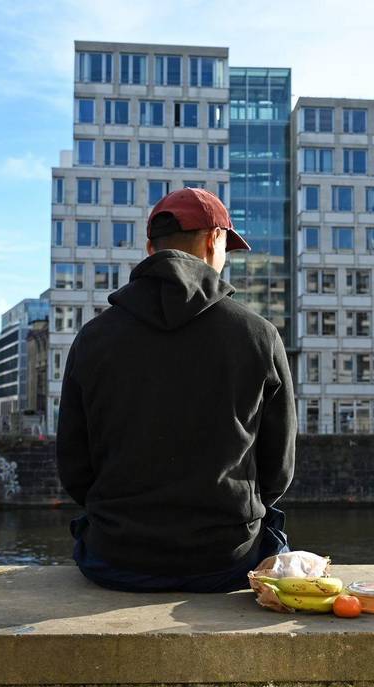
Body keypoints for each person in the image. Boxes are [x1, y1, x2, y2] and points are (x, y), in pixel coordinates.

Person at [56, 188, 297, 592]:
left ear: (151, 248)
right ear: (213, 240)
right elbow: (279, 470)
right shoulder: (259, 336)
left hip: (116, 559)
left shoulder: (93, 338)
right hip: (225, 560)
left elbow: (74, 466)